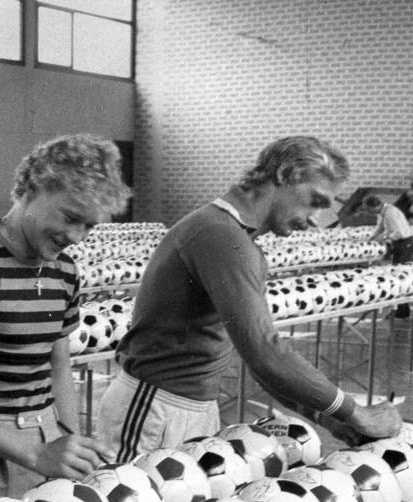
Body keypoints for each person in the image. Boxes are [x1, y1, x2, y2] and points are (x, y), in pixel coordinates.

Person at [98, 136, 403, 461]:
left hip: (188, 406)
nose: (315, 218)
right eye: (314, 201)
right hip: (154, 408)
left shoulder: (235, 238)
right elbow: (264, 352)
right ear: (285, 174)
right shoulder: (220, 234)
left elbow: (252, 356)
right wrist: (354, 411)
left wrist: (323, 415)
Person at [0, 134, 129, 502]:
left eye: (89, 226)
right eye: (70, 218)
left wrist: (68, 438)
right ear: (32, 189)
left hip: (45, 433)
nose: (76, 237)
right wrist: (36, 454)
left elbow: (58, 363)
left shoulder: (63, 270)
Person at [364, 193, 413, 318]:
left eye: (369, 209)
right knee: (397, 273)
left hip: (404, 243)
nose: (369, 212)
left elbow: (399, 232)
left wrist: (386, 239)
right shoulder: (383, 212)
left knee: (400, 275)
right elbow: (380, 227)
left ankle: (403, 310)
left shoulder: (390, 212)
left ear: (374, 206)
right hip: (399, 243)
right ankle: (402, 310)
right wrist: (372, 238)